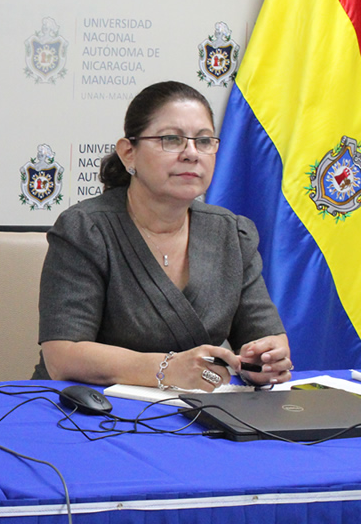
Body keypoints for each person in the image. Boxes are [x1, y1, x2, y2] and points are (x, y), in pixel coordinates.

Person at [33, 81, 292, 391]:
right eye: (172, 139)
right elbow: (63, 357)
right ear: (129, 153)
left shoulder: (232, 233)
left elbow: (264, 336)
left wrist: (263, 360)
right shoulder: (85, 228)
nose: (192, 154)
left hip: (195, 414)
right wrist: (167, 369)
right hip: (85, 412)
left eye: (204, 141)